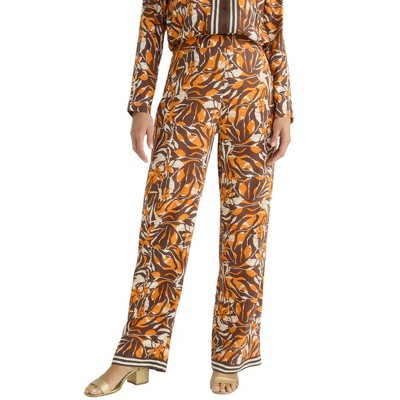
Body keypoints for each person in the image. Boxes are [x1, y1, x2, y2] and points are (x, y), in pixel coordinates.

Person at [84, 0, 294, 396]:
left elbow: (274, 35)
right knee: (165, 221)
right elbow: (150, 31)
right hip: (188, 82)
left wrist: (283, 109)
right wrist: (140, 106)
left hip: (253, 90)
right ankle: (136, 351)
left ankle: (232, 354)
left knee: (246, 226)